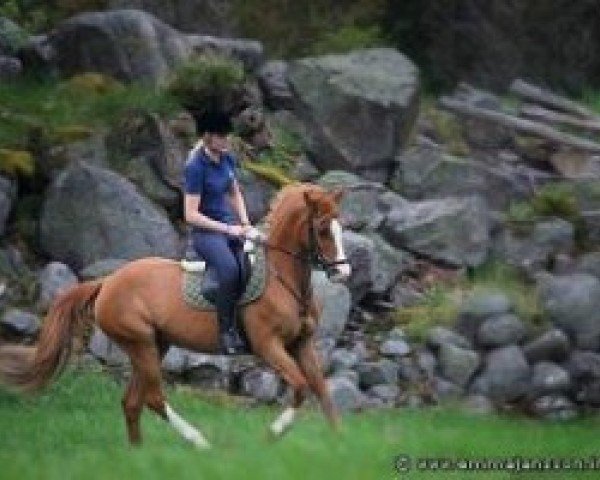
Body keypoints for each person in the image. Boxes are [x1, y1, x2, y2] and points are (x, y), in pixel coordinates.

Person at [183, 112, 251, 355]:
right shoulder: (195, 167)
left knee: (249, 264)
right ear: (207, 137)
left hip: (229, 225)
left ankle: (247, 321)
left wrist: (245, 223)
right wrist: (227, 228)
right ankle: (226, 332)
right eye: (221, 137)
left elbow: (234, 193)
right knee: (230, 269)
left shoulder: (226, 159)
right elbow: (190, 214)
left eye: (227, 136)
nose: (226, 141)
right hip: (206, 232)